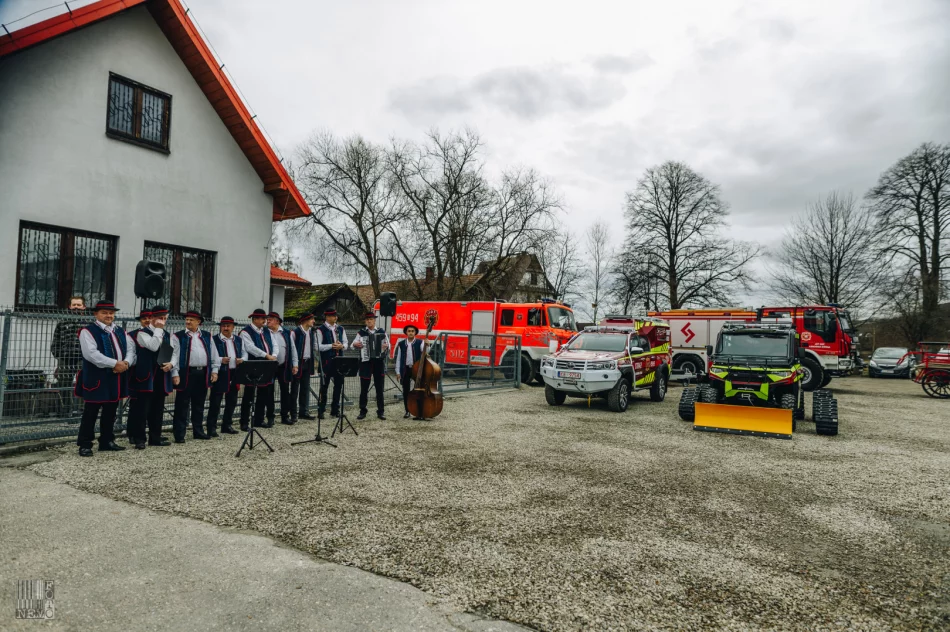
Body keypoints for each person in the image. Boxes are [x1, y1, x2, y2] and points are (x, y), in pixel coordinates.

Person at [74, 300, 135, 456]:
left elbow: (130, 349)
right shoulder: (87, 331)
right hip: (97, 377)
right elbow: (91, 354)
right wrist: (115, 363)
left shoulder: (120, 331)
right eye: (104, 312)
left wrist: (126, 362)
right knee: (91, 411)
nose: (109, 315)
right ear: (96, 314)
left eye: (111, 313)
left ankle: (107, 440)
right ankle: (85, 443)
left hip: (116, 377)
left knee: (111, 411)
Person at [127, 306, 176, 449]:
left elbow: (172, 353)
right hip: (146, 376)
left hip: (161, 375)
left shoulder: (167, 334)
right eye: (161, 318)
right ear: (153, 318)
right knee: (142, 409)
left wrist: (171, 364)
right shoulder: (142, 334)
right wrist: (159, 329)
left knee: (158, 408)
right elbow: (153, 346)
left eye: (165, 318)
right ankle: (139, 438)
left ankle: (155, 437)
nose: (163, 321)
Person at [172, 311, 220, 442]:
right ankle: (179, 434)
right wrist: (175, 373)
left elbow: (214, 354)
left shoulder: (206, 336)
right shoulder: (178, 336)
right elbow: (174, 356)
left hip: (202, 373)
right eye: (187, 320)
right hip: (186, 373)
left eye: (191, 320)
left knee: (199, 404)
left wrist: (214, 370)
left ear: (199, 322)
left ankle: (198, 431)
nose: (188, 322)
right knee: (182, 404)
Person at [239, 308, 276, 430]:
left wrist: (274, 355)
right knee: (249, 394)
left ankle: (259, 420)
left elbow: (274, 344)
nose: (264, 321)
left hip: (266, 364)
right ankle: (244, 421)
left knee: (263, 393)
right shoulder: (246, 332)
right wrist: (266, 355)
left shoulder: (266, 331)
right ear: (255, 319)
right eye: (262, 319)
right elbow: (250, 347)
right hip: (253, 364)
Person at [208, 316, 246, 435]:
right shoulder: (214, 339)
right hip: (221, 372)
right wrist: (220, 360)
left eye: (228, 326)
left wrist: (243, 359)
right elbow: (209, 355)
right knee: (215, 401)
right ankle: (211, 427)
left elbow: (245, 353)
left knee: (232, 400)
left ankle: (227, 425)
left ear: (233, 327)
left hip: (234, 372)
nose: (225, 328)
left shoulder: (238, 340)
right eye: (223, 326)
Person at [51, 295, 86, 416]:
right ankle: (66, 409)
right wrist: (58, 354)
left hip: (84, 358)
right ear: (70, 306)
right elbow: (56, 340)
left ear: (83, 307)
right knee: (64, 383)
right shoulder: (62, 322)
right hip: (65, 358)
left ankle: (82, 410)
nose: (76, 307)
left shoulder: (89, 322)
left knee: (84, 381)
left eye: (79, 305)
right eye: (74, 304)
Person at [351, 312, 390, 420]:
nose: (369, 321)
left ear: (374, 320)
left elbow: (388, 345)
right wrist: (355, 344)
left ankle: (381, 411)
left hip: (378, 363)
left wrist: (385, 346)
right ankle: (363, 411)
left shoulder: (381, 332)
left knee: (379, 388)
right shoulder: (361, 333)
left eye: (371, 319)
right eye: (367, 319)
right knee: (364, 389)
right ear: (365, 321)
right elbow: (352, 345)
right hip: (366, 363)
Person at [266, 311, 298, 425]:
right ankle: (270, 417)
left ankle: (285, 416)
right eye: (267, 319)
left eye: (271, 319)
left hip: (283, 366)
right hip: (269, 366)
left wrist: (295, 364)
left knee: (285, 391)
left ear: (278, 321)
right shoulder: (265, 332)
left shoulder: (286, 332)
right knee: (269, 391)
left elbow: (293, 349)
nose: (268, 320)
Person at [317, 309, 347, 419]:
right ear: (327, 317)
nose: (335, 317)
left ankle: (335, 409)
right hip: (326, 361)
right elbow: (317, 346)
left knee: (338, 385)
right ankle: (321, 410)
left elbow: (346, 343)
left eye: (335, 316)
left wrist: (342, 346)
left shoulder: (340, 329)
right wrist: (331, 346)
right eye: (332, 316)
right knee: (324, 386)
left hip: (339, 360)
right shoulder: (320, 330)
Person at [394, 324, 425, 419]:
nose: (411, 332)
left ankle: (420, 412)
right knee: (405, 391)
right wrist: (398, 372)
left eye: (412, 331)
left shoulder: (420, 342)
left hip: (417, 369)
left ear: (415, 332)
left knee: (419, 390)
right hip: (405, 369)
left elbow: (425, 354)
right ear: (406, 333)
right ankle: (407, 410)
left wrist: (427, 345)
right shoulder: (402, 344)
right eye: (409, 331)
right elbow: (398, 359)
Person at [293, 313, 317, 420]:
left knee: (305, 388)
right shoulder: (296, 332)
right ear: (305, 320)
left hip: (307, 362)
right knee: (295, 388)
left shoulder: (311, 332)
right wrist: (294, 364)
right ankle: (293, 413)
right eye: (311, 319)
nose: (313, 321)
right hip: (298, 362)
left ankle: (304, 411)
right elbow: (292, 348)